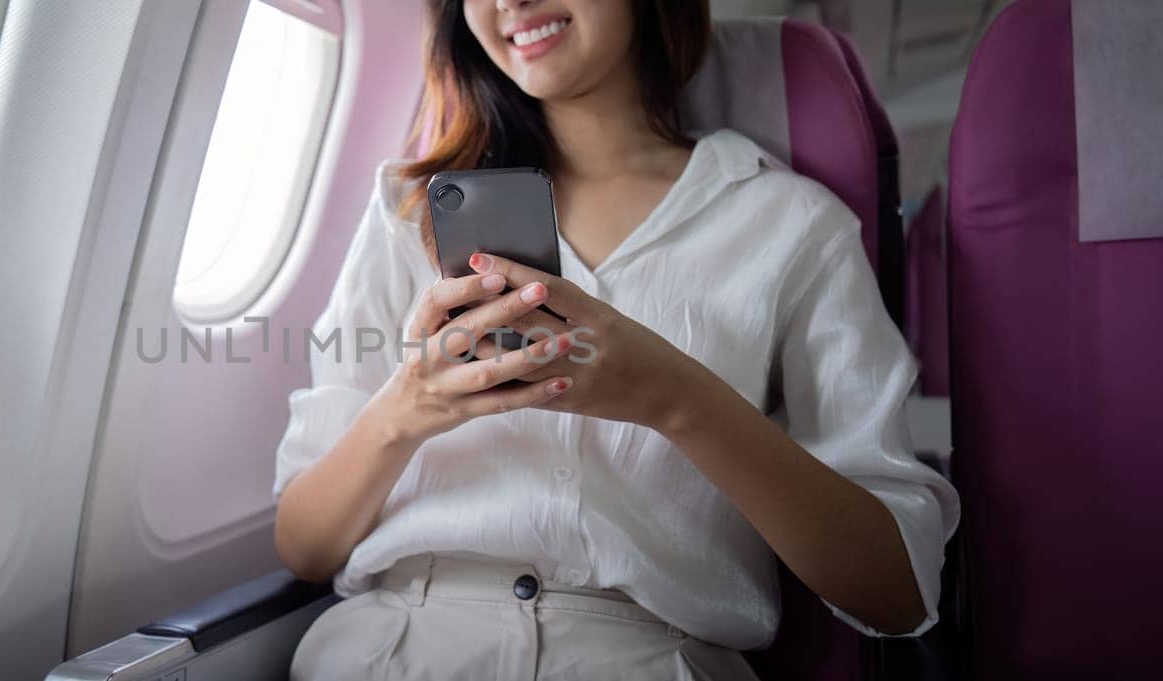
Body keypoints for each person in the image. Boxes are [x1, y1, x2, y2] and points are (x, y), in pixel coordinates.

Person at [271, 1, 959, 678]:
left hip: (647, 656)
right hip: (395, 647)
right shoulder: (409, 212)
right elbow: (304, 545)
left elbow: (896, 591)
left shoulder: (791, 225)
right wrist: (404, 410)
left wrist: (677, 401)